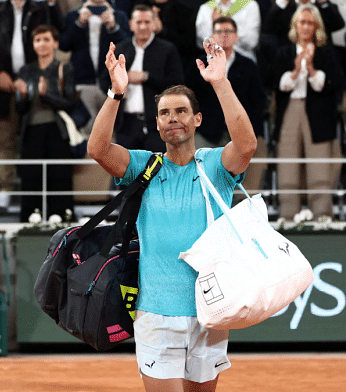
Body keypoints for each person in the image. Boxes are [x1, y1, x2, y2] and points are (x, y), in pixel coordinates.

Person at [87, 36, 256, 391]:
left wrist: (220, 83)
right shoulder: (143, 166)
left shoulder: (214, 165)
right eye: (164, 113)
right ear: (158, 123)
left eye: (180, 111)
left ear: (196, 119)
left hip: (210, 311)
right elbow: (97, 148)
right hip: (155, 312)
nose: (172, 119)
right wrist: (116, 93)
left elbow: (246, 145)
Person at [0, 0, 62, 210]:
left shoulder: (40, 8)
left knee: (39, 135)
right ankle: (4, 189)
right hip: (4, 84)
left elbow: (56, 34)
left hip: (37, 81)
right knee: (5, 138)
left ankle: (45, 197)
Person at [273, 4, 344, 221]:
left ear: (317, 26)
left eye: (310, 22)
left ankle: (321, 216)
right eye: (302, 22)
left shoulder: (326, 52)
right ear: (295, 25)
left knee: (320, 167)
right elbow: (277, 83)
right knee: (287, 165)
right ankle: (288, 216)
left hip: (319, 114)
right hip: (290, 111)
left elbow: (331, 83)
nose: (305, 27)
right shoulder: (283, 52)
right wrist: (295, 71)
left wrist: (311, 68)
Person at [186, 16, 267, 193]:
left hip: (240, 131)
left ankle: (244, 213)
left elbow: (258, 102)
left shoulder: (248, 65)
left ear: (237, 36)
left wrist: (247, 129)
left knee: (253, 160)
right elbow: (190, 99)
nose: (224, 35)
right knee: (200, 179)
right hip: (206, 131)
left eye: (228, 31)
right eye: (219, 31)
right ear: (212, 36)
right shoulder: (199, 65)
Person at [100, 3, 183, 152]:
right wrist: (117, 91)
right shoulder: (120, 49)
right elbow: (104, 81)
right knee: (124, 173)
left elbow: (177, 84)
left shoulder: (168, 49)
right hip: (125, 124)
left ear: (154, 24)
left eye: (147, 22)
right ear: (131, 24)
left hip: (158, 125)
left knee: (157, 172)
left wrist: (146, 77)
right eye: (139, 22)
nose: (143, 27)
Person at [15, 25, 75, 221]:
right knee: (31, 180)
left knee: (59, 179)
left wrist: (45, 95)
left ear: (55, 43)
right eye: (38, 40)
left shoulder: (64, 68)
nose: (42, 44)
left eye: (46, 39)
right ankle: (29, 223)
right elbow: (20, 109)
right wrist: (22, 96)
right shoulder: (26, 70)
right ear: (33, 44)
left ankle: (62, 223)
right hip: (31, 132)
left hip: (57, 132)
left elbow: (69, 103)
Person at [59, 0, 130, 135]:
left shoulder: (119, 15)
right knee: (86, 130)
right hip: (83, 82)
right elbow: (63, 45)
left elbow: (128, 44)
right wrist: (79, 23)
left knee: (111, 132)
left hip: (111, 82)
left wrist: (113, 26)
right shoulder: (73, 15)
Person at [195, 0, 261, 62]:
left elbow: (251, 42)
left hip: (245, 63)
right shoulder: (205, 8)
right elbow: (202, 44)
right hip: (213, 63)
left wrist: (223, 25)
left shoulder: (250, 6)